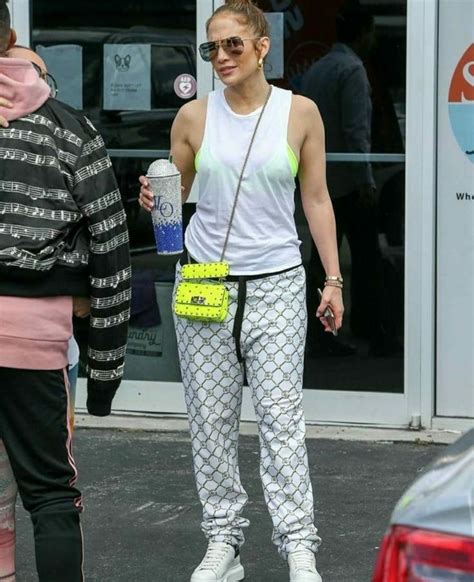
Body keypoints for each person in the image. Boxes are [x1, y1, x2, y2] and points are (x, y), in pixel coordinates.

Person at [139, 1, 343, 580]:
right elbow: (171, 194)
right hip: (205, 280)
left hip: (277, 282)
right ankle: (223, 543)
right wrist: (153, 200)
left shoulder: (299, 113)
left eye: (232, 45)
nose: (221, 57)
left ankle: (299, 545)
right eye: (211, 48)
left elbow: (317, 199)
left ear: (261, 47)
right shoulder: (193, 118)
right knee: (210, 421)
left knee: (282, 421)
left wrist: (332, 279)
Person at [0, 1, 131, 579]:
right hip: (33, 332)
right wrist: (103, 373)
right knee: (51, 494)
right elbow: (113, 248)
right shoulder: (69, 128)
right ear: (9, 36)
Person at [302, 7, 383, 351]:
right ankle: (368, 329)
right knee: (366, 260)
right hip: (347, 184)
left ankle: (316, 334)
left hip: (320, 179)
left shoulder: (317, 68)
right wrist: (366, 180)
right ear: (363, 33)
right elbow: (356, 132)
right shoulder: (351, 69)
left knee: (320, 261)